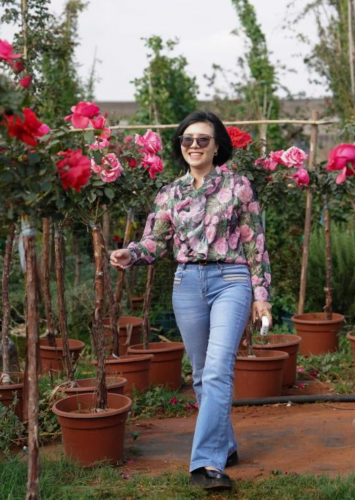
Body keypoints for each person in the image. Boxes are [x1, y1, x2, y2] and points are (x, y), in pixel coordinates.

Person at [110, 111, 272, 491]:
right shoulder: (169, 193)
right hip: (186, 284)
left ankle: (206, 464)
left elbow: (255, 242)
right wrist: (131, 253)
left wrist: (261, 295)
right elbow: (155, 242)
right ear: (180, 145)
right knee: (200, 374)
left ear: (217, 147)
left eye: (203, 139)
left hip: (231, 280)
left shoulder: (238, 186)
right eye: (187, 139)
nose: (194, 145)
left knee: (217, 369)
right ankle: (225, 445)